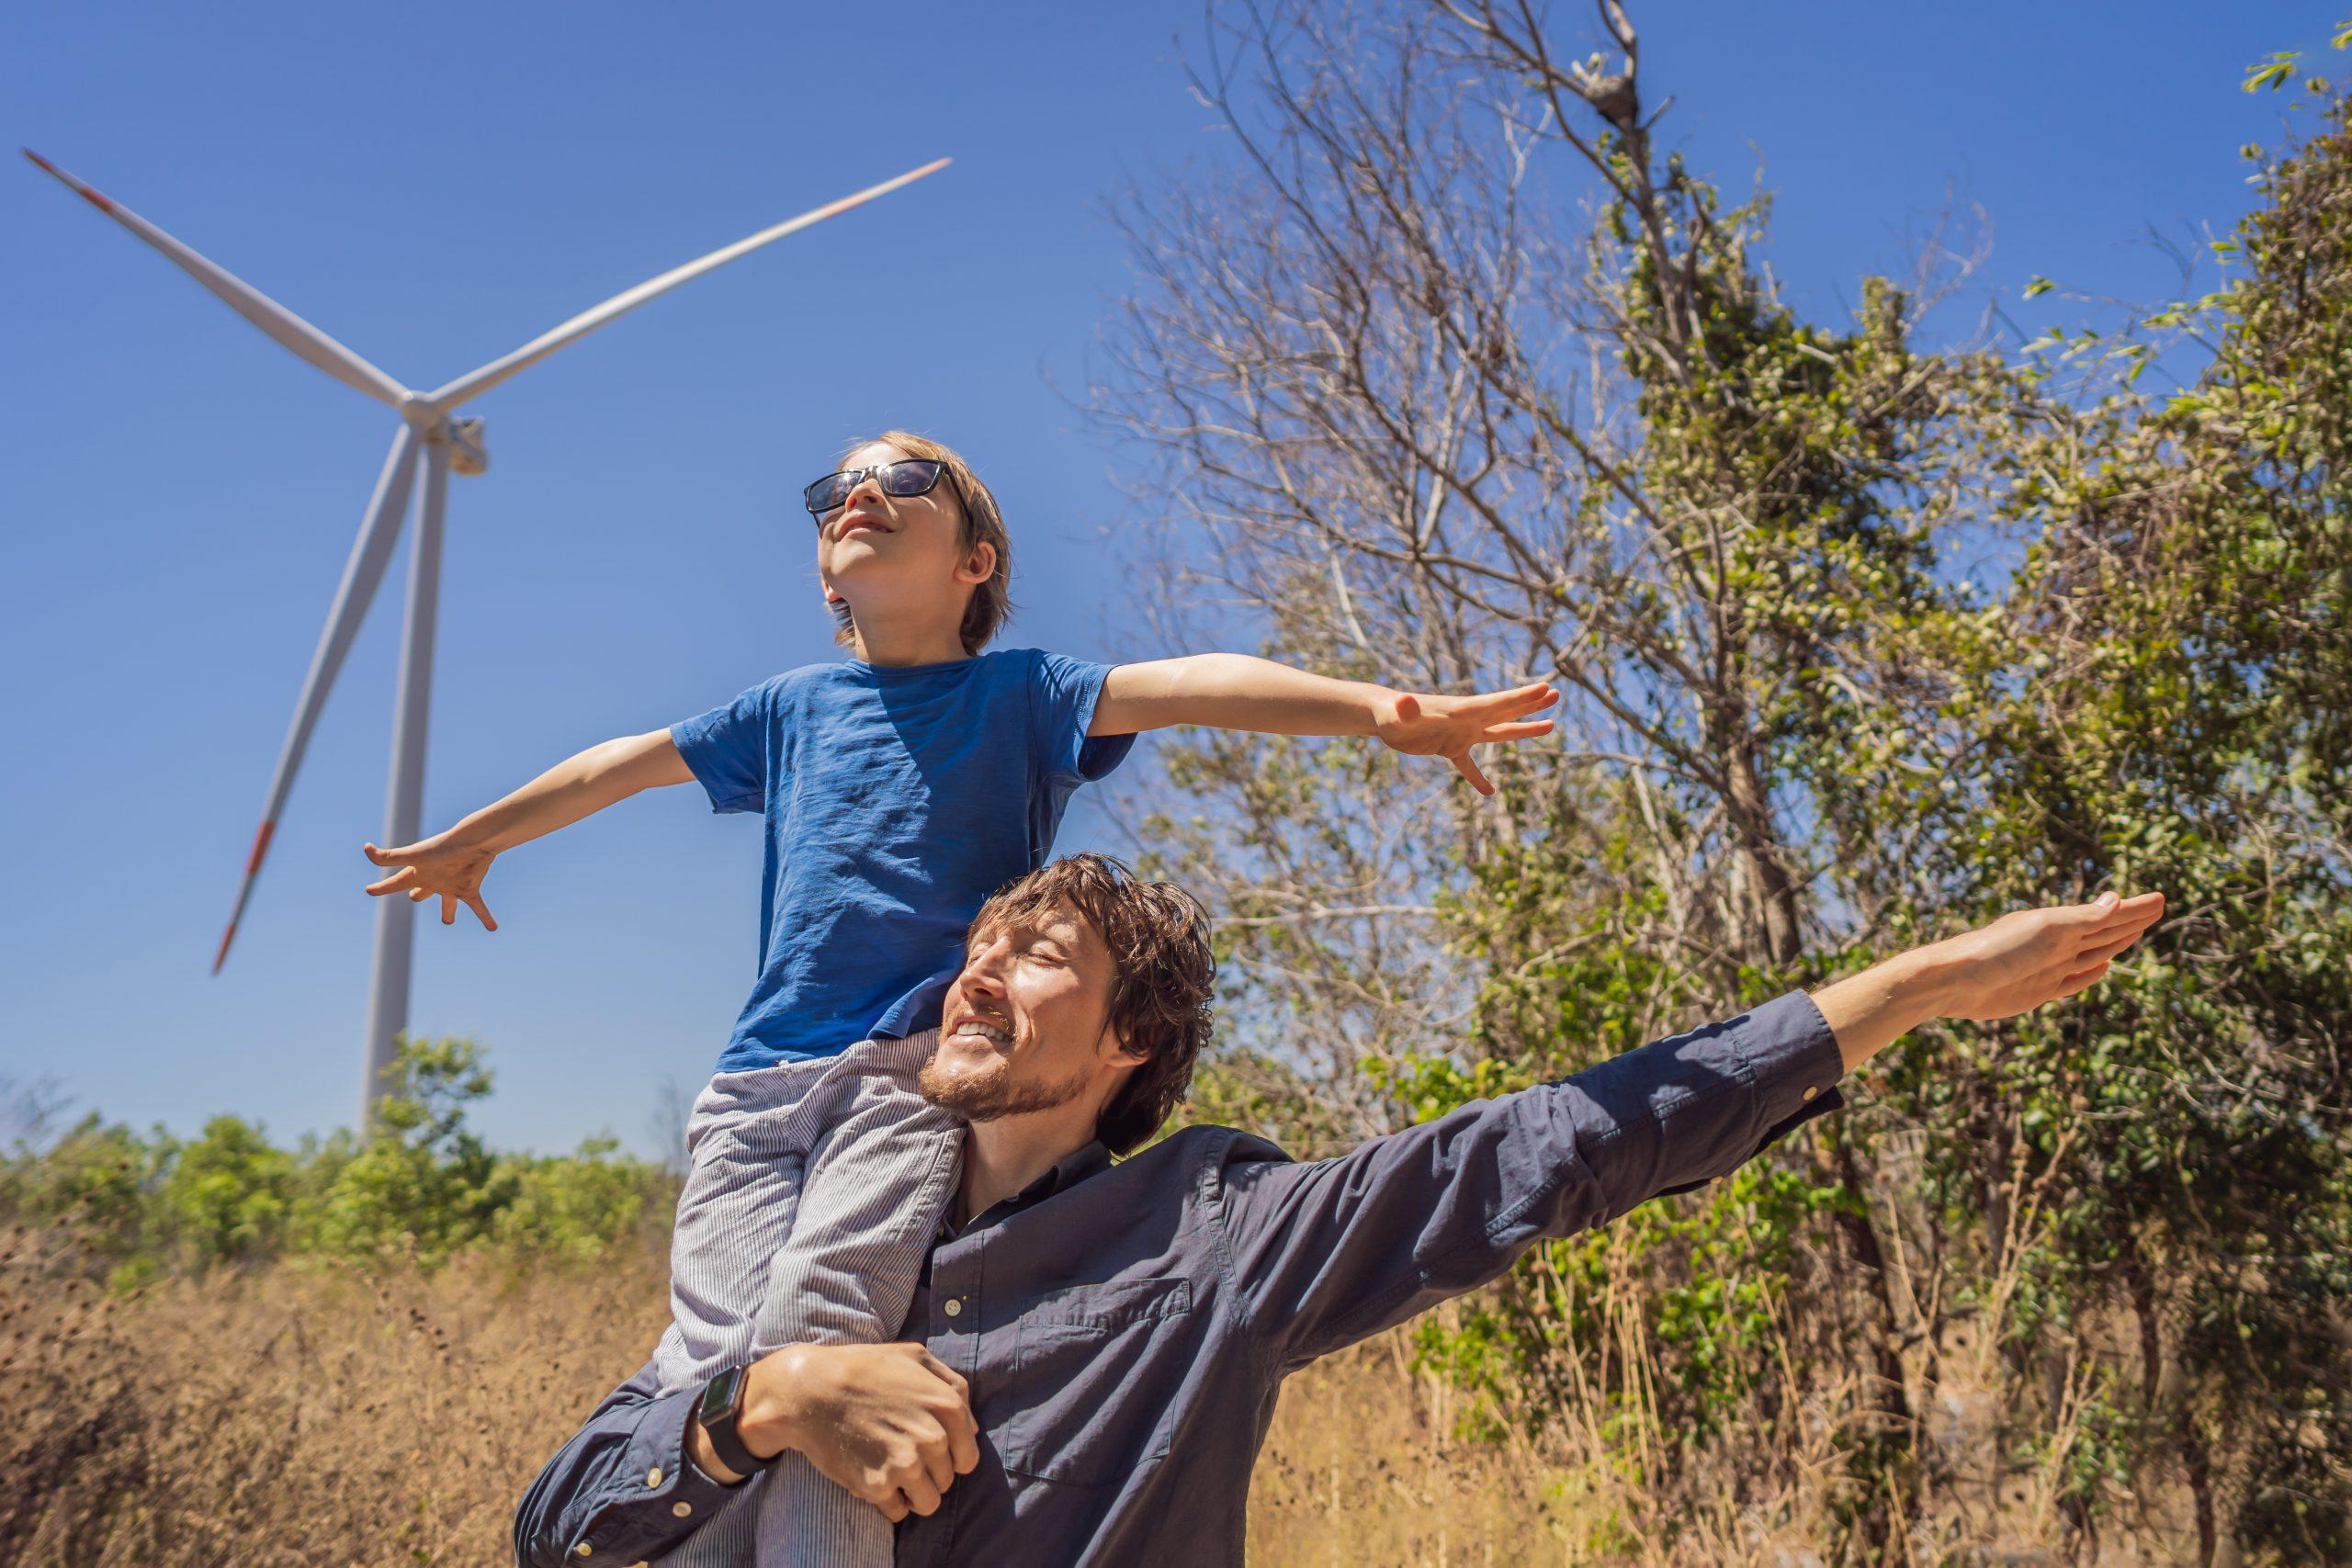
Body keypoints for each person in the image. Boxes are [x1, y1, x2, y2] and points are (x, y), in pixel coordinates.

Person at [359, 432, 1560, 1568]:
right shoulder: (786, 710)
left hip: (901, 1073)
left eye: (905, 477)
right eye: (837, 490)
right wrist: (479, 838)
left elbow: (1196, 682)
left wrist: (1375, 711)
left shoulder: (1022, 695)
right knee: (717, 1365)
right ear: (827, 566)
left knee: (819, 1335)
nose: (860, 492)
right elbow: (617, 761)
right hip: (753, 1085)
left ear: (974, 563)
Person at [513, 852, 2167, 1568]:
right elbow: (559, 1523)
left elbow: (1540, 1150)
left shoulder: (1212, 1238)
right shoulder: (830, 1227)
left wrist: (1912, 991)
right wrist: (774, 1396)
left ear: (1131, 1040)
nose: (978, 974)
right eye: (981, 946)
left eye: (1037, 957)